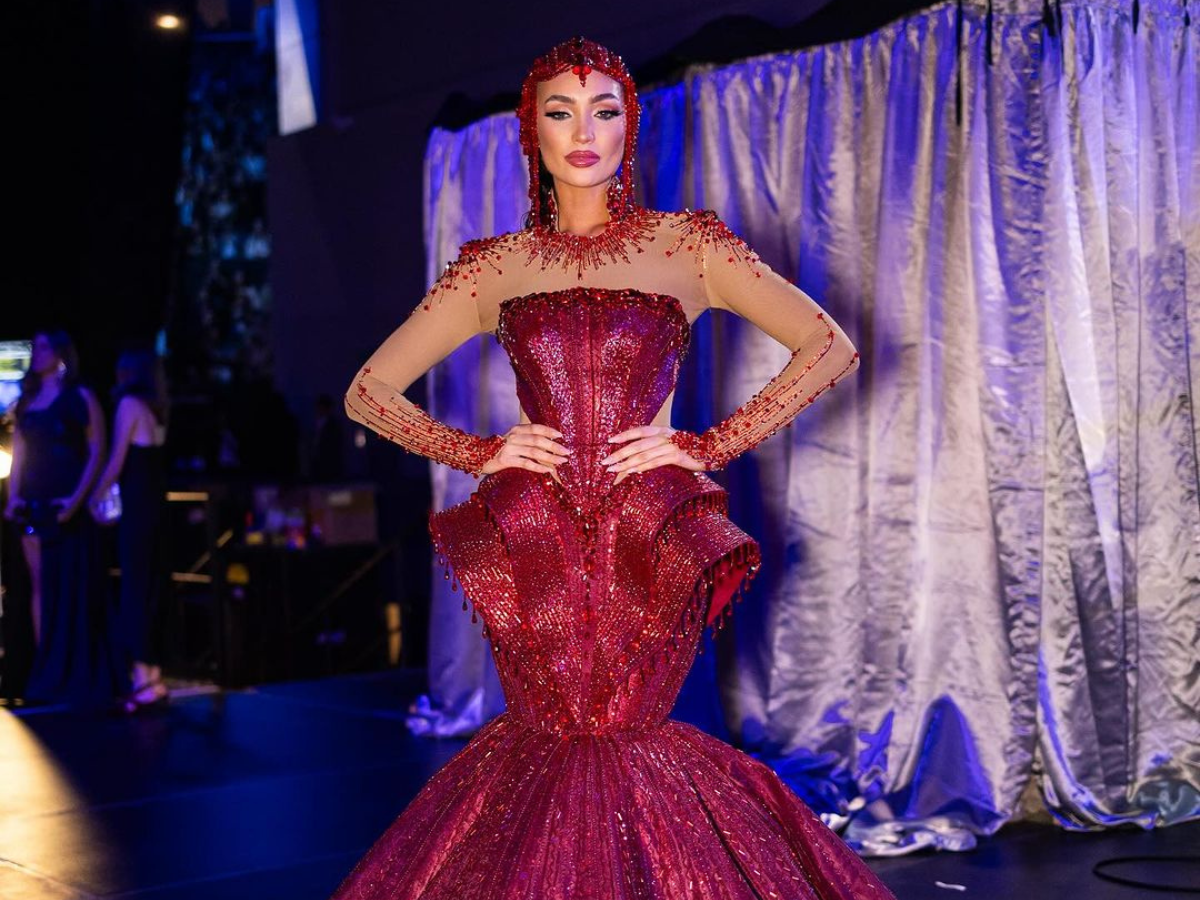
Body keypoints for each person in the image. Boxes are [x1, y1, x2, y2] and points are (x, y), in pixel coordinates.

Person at [334, 37, 893, 900]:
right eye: (560, 111)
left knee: (633, 735)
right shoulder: (494, 267)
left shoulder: (689, 245)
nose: (583, 130)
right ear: (533, 131)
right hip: (537, 540)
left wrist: (709, 445)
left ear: (631, 126)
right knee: (547, 742)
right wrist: (479, 450)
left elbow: (830, 345)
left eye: (605, 111)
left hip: (648, 534)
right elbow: (369, 392)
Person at [3, 330, 116, 707]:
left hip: (66, 499)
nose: (38, 354)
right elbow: (19, 450)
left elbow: (97, 448)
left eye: (45, 347)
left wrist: (78, 498)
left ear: (62, 353)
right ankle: (46, 668)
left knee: (72, 583)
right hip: (33, 500)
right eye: (35, 348)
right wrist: (14, 494)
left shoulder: (79, 396)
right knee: (39, 584)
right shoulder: (29, 400)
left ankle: (73, 668)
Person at [89, 349, 171, 712]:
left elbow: (117, 461)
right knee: (152, 586)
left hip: (137, 510)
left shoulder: (128, 406)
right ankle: (153, 674)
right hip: (156, 508)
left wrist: (93, 496)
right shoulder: (158, 408)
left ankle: (141, 676)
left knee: (135, 588)